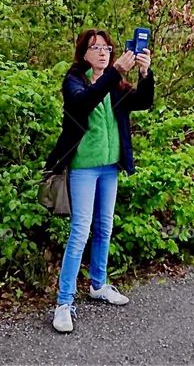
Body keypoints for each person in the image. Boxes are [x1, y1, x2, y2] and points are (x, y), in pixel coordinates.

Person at [42, 28, 155, 333]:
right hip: (83, 167)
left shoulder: (115, 84)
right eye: (96, 48)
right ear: (84, 53)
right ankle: (64, 302)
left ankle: (98, 284)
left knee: (104, 227)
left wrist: (145, 73)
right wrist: (115, 71)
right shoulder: (74, 81)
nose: (103, 53)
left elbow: (143, 101)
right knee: (80, 232)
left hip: (109, 168)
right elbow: (83, 103)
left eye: (107, 48)